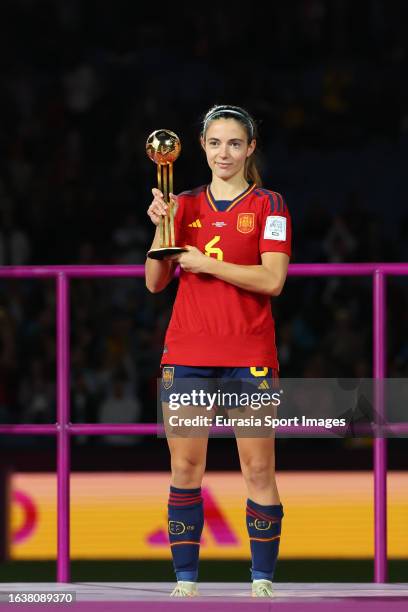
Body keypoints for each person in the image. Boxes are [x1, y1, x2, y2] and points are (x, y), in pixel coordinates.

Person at [145, 104, 292, 598]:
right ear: (202, 147)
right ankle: (185, 580)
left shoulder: (270, 206)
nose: (223, 153)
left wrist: (203, 263)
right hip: (186, 353)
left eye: (234, 143)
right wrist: (161, 228)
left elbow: (272, 280)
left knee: (257, 469)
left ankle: (262, 578)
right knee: (186, 468)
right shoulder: (182, 203)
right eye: (214, 143)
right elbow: (154, 282)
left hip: (250, 354)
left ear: (250, 148)